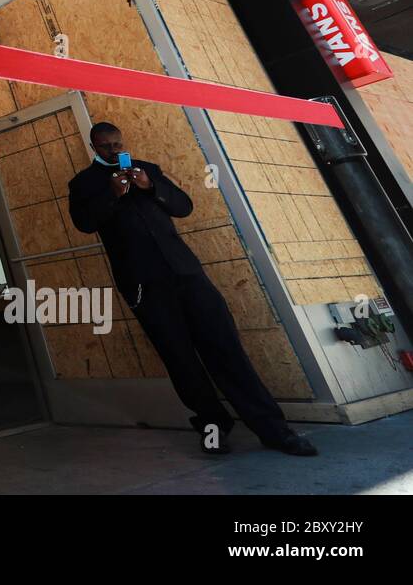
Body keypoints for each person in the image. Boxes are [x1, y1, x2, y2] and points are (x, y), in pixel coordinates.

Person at [67, 121, 318, 457]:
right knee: (181, 361)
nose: (113, 151)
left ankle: (275, 431)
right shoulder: (83, 183)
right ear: (93, 146)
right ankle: (214, 430)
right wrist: (111, 196)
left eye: (117, 144)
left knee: (226, 349)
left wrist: (151, 185)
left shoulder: (147, 169)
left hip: (186, 273)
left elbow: (183, 207)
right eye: (105, 146)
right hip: (143, 284)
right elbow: (84, 223)